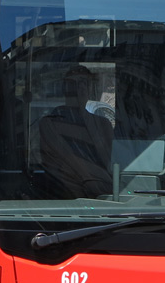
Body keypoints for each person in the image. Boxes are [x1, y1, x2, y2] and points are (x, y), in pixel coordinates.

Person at [36, 65, 114, 198]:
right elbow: (69, 160)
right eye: (73, 84)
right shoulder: (51, 123)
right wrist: (97, 183)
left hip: (104, 197)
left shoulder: (103, 124)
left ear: (90, 88)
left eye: (85, 83)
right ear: (65, 89)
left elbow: (111, 162)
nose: (80, 88)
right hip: (65, 194)